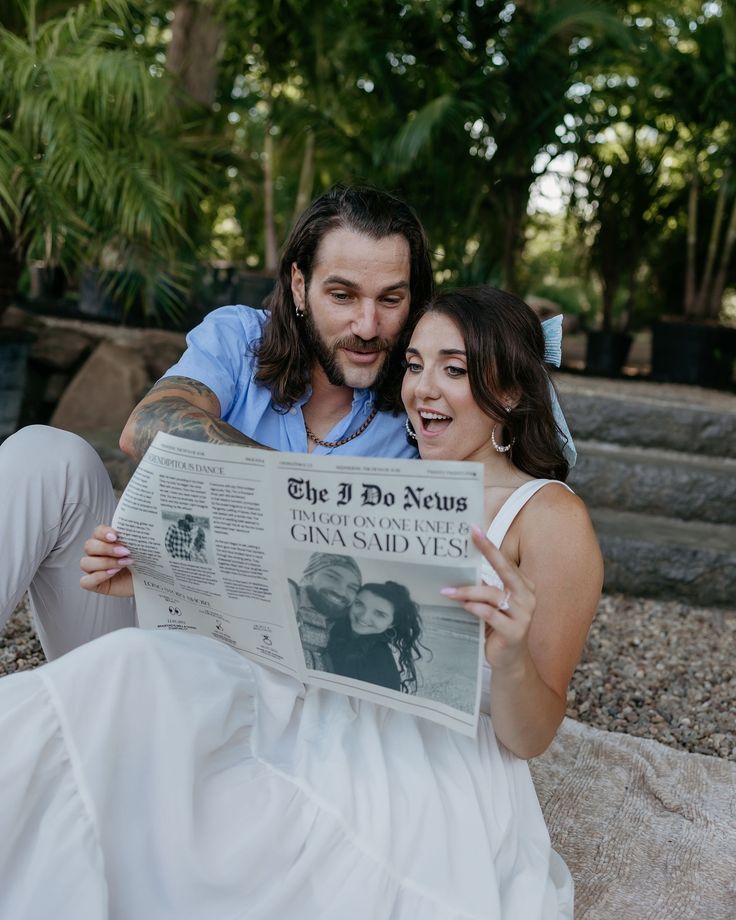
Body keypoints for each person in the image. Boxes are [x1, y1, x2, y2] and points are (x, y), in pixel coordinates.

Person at [0, 285, 603, 919]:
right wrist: (152, 572)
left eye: (453, 369)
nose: (423, 389)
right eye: (416, 365)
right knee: (130, 667)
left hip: (425, 770)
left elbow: (532, 735)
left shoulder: (549, 518)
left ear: (507, 391)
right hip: (301, 707)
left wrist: (508, 659)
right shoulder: (388, 481)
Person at [0, 184, 432, 659]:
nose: (368, 326)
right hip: (151, 638)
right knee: (43, 454)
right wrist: (303, 490)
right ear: (299, 287)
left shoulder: (424, 409)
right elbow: (149, 424)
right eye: (343, 295)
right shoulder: (242, 338)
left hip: (284, 694)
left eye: (390, 300)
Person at [326, 581, 425, 693]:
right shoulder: (336, 627)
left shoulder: (379, 662)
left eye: (379, 614)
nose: (364, 617)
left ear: (392, 623)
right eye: (359, 604)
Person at [288, 552, 363, 669]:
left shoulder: (345, 625)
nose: (341, 591)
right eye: (332, 577)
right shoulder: (290, 599)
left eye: (352, 588)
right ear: (309, 576)